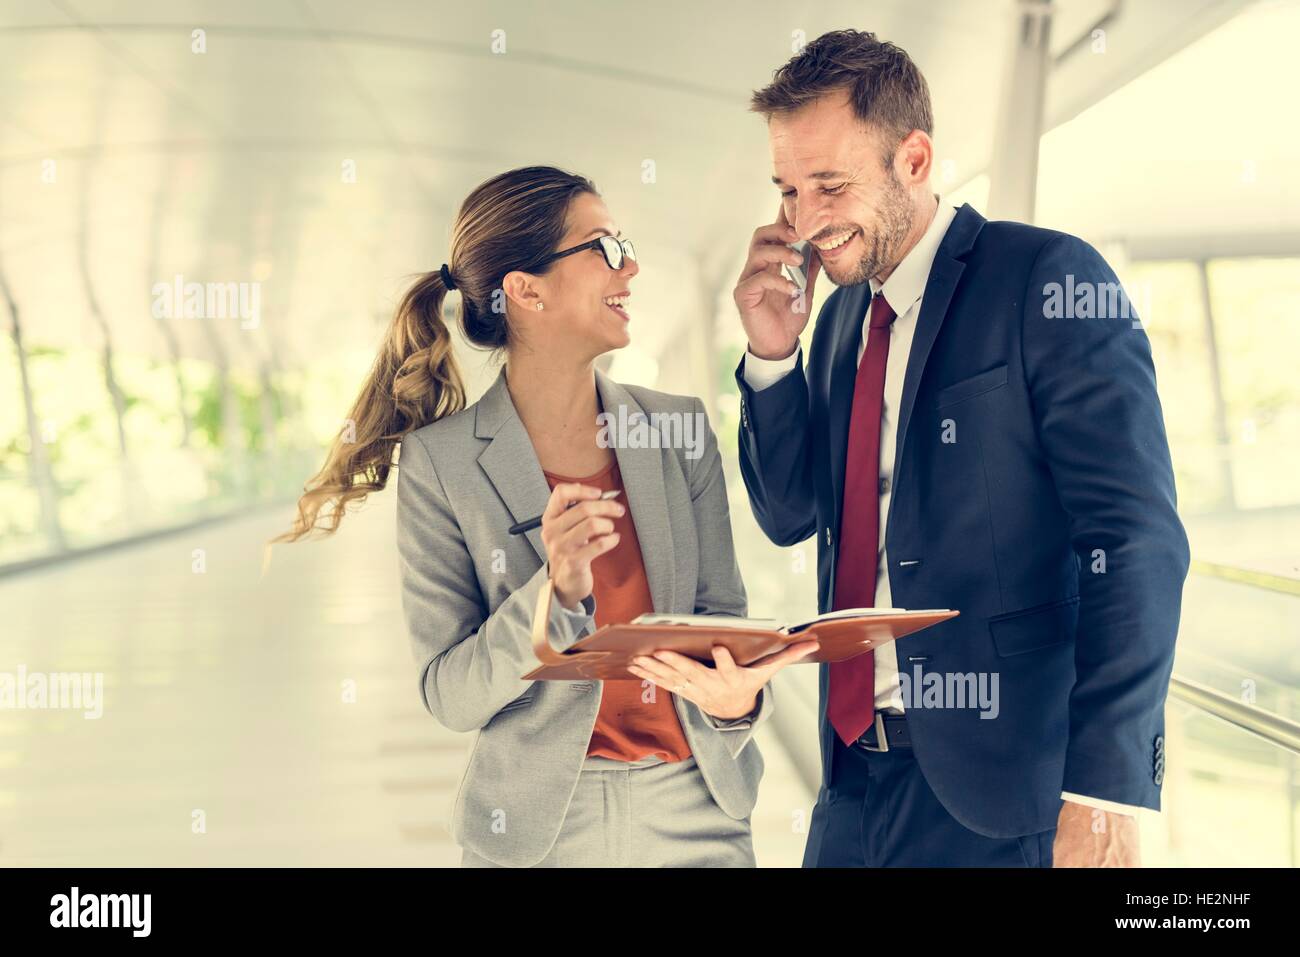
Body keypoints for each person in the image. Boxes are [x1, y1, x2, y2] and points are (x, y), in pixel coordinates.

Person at [733, 30, 1189, 867]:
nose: (804, 220)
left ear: (914, 158)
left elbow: (1134, 541)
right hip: (851, 784)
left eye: (830, 185)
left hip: (1003, 797)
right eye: (789, 190)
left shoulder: (1047, 278)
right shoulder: (837, 321)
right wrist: (771, 359)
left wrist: (1105, 789)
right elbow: (791, 513)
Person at [273, 165, 816, 867]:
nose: (633, 265)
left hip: (698, 815)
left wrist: (737, 703)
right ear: (526, 290)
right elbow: (449, 692)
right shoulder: (444, 464)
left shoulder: (679, 431)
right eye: (605, 247)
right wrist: (552, 595)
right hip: (536, 832)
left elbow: (721, 623)